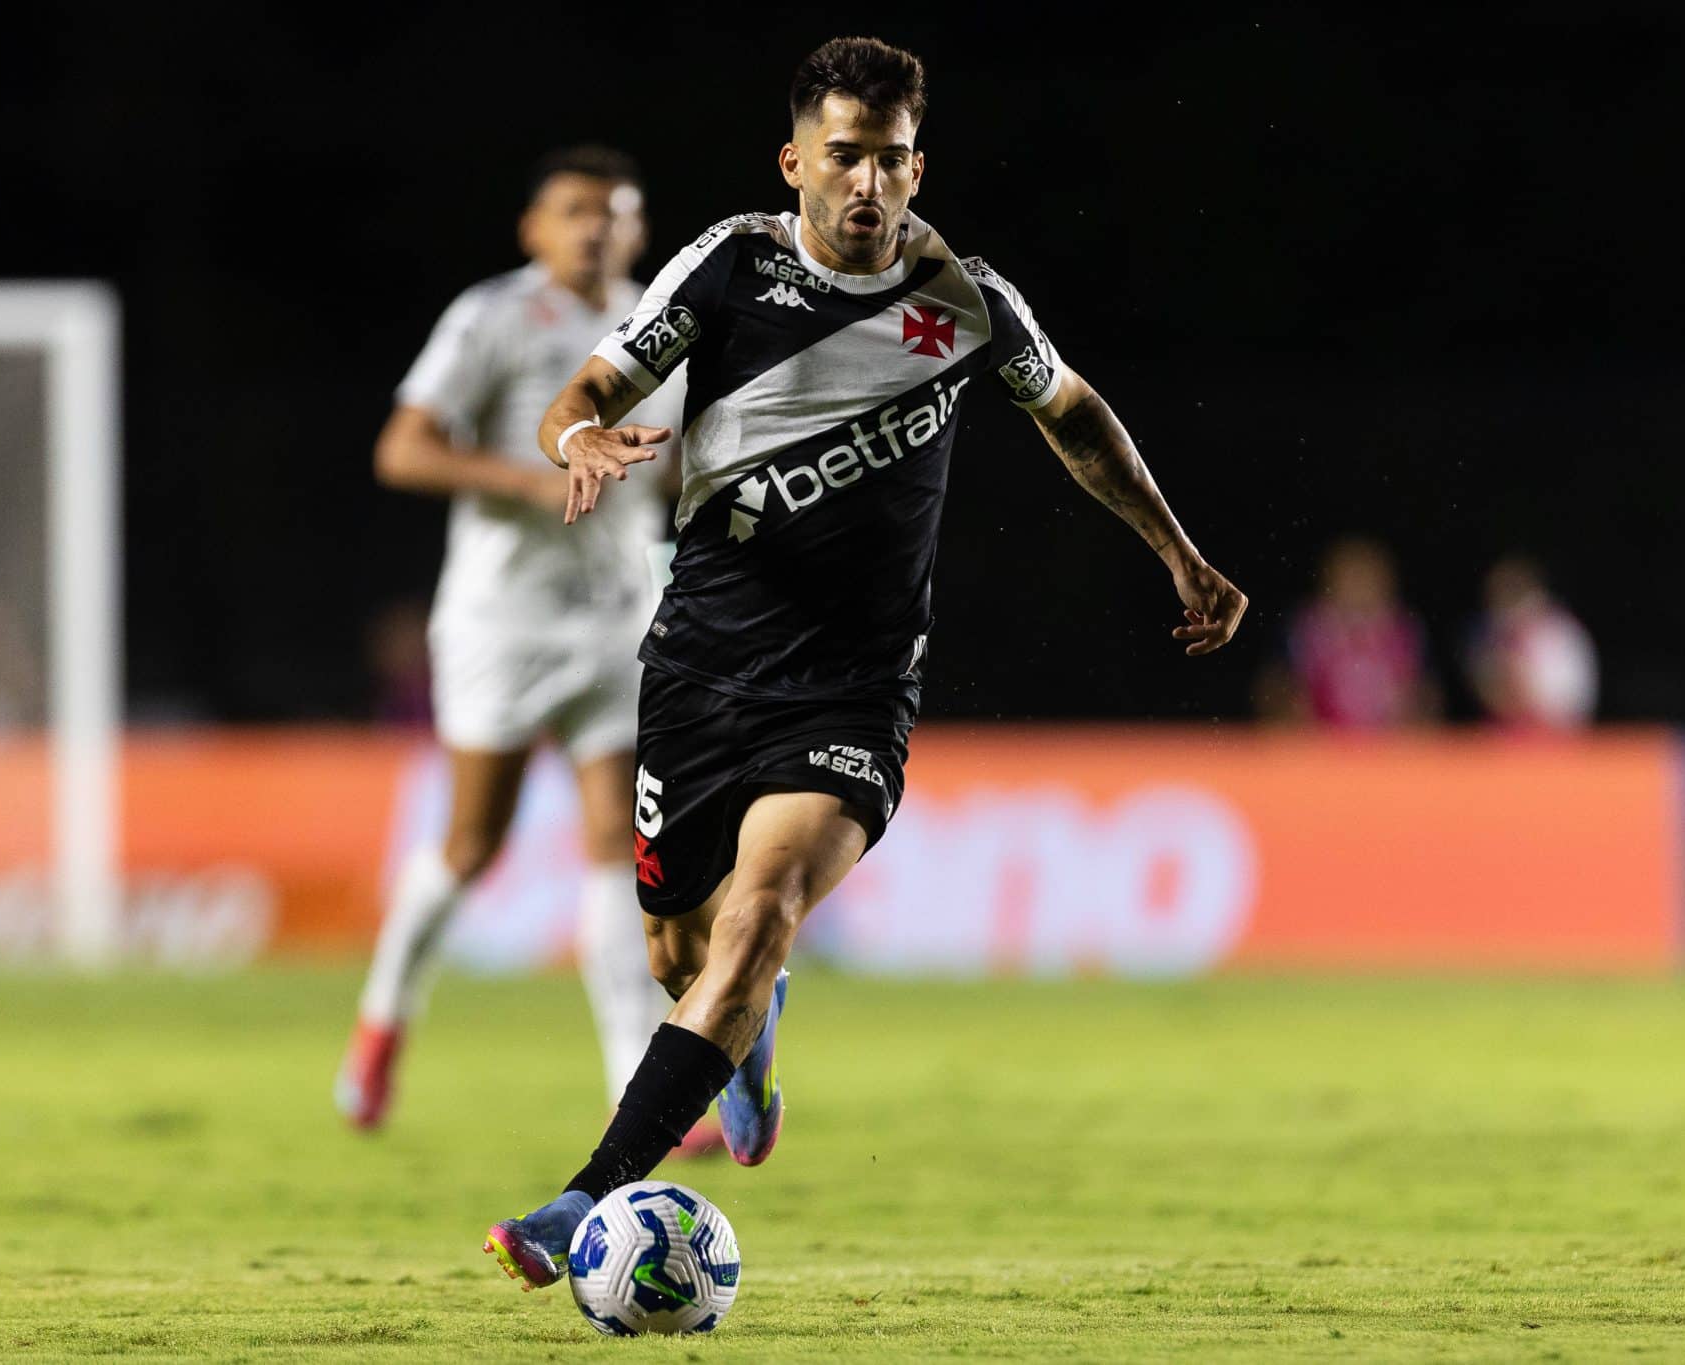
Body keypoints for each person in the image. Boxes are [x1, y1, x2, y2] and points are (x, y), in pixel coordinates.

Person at [482, 37, 1246, 1288]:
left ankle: (586, 1198)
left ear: (916, 166)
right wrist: (578, 438)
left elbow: (1071, 413)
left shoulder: (965, 300)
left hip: (852, 688)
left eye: (890, 159)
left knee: (758, 920)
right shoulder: (728, 267)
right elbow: (586, 387)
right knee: (678, 954)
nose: (867, 184)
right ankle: (752, 1040)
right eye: (842, 156)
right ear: (793, 163)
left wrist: (1177, 550)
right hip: (698, 668)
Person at [335, 148, 720, 1156]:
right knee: (472, 844)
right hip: (501, 618)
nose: (593, 227)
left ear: (638, 232)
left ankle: (634, 1086)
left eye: (612, 212)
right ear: (533, 230)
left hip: (617, 618)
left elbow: (672, 466)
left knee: (618, 847)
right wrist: (531, 480)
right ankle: (383, 1019)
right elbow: (401, 448)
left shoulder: (663, 323)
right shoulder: (491, 317)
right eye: (574, 210)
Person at [1256, 536, 1437, 729]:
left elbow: (1427, 696)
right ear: (1330, 581)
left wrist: (1411, 716)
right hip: (1319, 739)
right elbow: (1273, 689)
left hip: (1388, 740)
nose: (1359, 587)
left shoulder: (1405, 629)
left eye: (1367, 578)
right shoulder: (1308, 627)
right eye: (1351, 577)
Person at [1467, 556, 1597, 730]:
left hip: (1553, 731)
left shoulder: (1559, 632)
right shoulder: (1490, 634)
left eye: (1510, 592)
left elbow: (1572, 699)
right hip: (1501, 732)